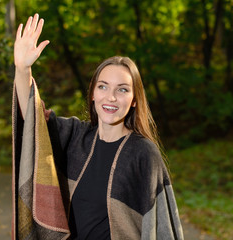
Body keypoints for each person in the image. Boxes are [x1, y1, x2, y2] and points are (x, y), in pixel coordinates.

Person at [12, 13, 184, 240]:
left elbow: (162, 226)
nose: (110, 97)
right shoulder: (75, 136)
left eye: (122, 89)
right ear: (93, 93)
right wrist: (23, 69)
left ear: (134, 100)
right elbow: (33, 122)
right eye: (103, 87)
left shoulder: (144, 153)